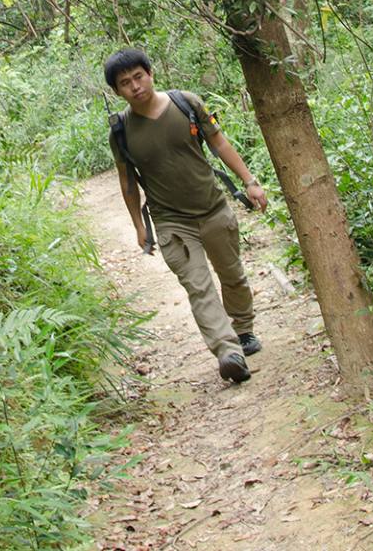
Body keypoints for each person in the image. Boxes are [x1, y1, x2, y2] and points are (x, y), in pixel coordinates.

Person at [104, 46, 269, 384]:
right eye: (125, 83)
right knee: (199, 287)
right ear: (117, 90)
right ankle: (227, 352)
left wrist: (249, 181)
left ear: (150, 73)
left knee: (232, 274)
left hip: (213, 207)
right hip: (170, 221)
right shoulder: (121, 130)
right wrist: (139, 225)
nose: (135, 86)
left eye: (138, 76)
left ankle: (244, 329)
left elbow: (219, 143)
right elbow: (128, 182)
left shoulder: (186, 102)